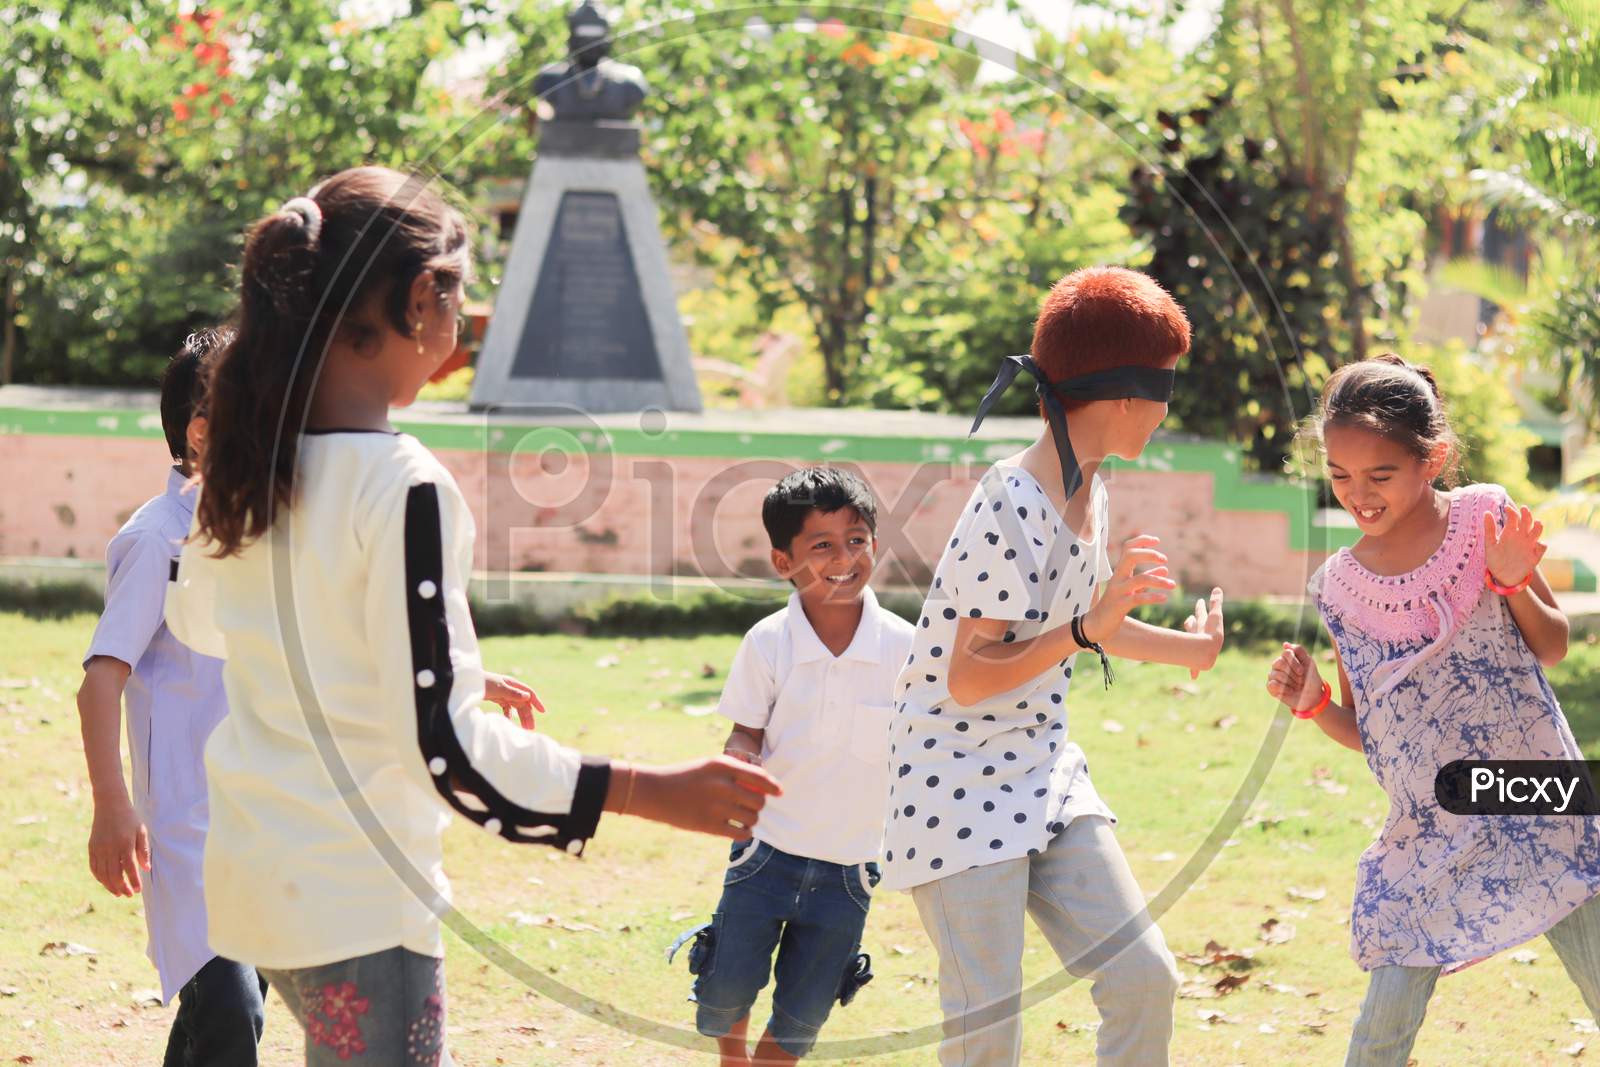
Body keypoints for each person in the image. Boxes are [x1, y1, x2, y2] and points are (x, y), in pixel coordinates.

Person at [165, 166, 780, 1066]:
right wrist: (648, 789)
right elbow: (444, 749)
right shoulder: (403, 485)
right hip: (358, 903)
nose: (463, 330)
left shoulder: (257, 464)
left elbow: (206, 625)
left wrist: (398, 654)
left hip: (260, 887)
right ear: (420, 300)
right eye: (459, 296)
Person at [882, 266, 1227, 1066]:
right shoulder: (1008, 502)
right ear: (1120, 397)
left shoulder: (1090, 488)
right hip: (953, 778)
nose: (1168, 409)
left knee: (1144, 976)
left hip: (1043, 771)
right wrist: (1084, 626)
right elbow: (970, 674)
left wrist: (1189, 649)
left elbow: (1089, 623)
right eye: (1164, 388)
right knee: (987, 1027)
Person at [1266, 353, 1600, 1067]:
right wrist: (1315, 700)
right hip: (1431, 826)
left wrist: (1511, 582)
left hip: (1536, 794)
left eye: (1380, 475)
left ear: (1433, 458)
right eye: (1340, 476)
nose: (1360, 494)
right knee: (1385, 1014)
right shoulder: (1337, 589)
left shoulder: (1486, 517)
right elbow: (1374, 733)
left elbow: (1554, 645)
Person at [77, 328, 271, 1066]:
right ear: (201, 432)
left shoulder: (250, 536)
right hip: (183, 826)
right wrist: (111, 802)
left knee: (213, 1015)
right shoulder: (156, 538)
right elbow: (100, 681)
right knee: (231, 1011)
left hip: (250, 813)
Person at [679, 467, 914, 1065]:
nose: (844, 558)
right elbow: (745, 730)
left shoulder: (907, 649)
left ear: (875, 547)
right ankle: (734, 1057)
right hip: (767, 851)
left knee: (805, 1012)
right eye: (822, 545)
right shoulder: (767, 642)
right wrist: (739, 759)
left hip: (851, 867)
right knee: (726, 989)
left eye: (856, 540)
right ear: (784, 562)